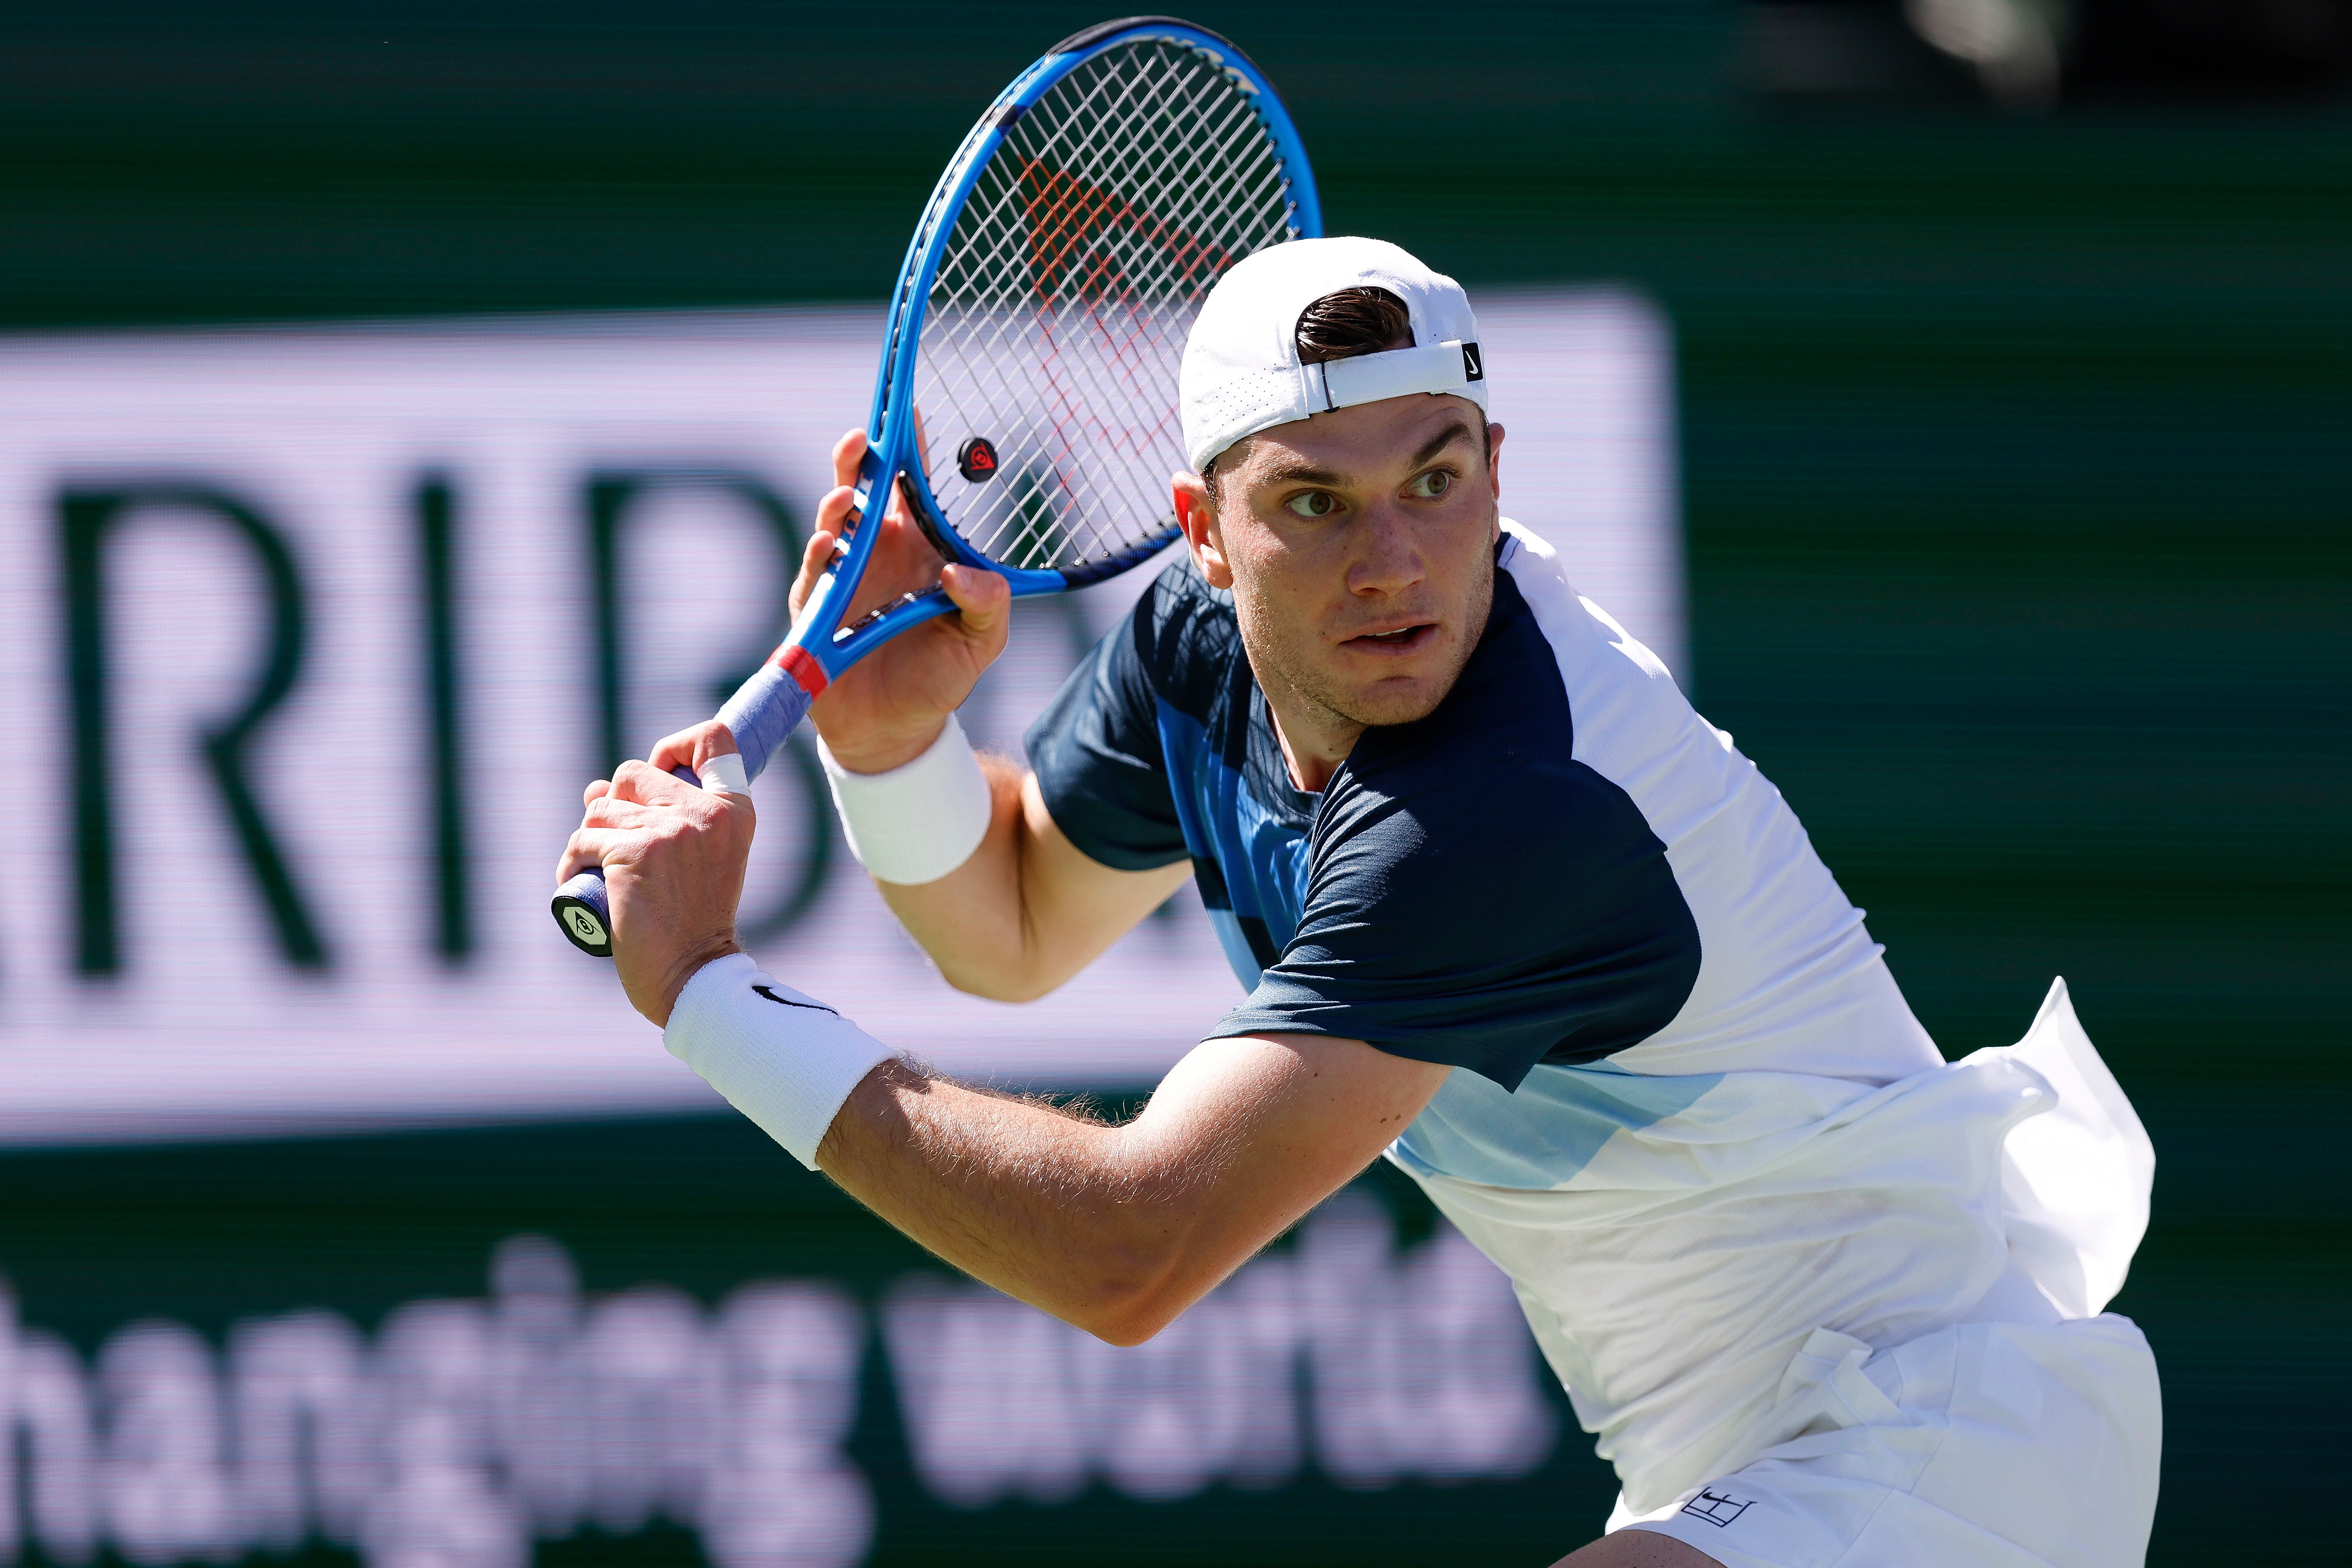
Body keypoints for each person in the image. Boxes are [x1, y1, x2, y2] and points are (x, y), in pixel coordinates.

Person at [559, 239, 2162, 1567]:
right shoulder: (1199, 665)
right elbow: (1015, 930)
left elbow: (1131, 1254)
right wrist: (893, 741)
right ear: (1202, 536)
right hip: (1722, 1471)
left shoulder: (1506, 807)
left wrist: (705, 988)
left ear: (1492, 472)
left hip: (1943, 1437)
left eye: (1434, 480)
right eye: (1314, 504)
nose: (1393, 561)